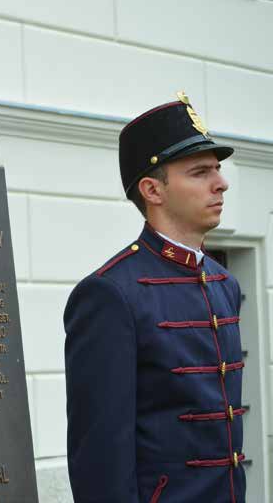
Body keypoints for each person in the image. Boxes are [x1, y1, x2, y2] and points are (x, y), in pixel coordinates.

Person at [64, 92, 245, 502]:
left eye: (217, 169)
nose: (221, 182)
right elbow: (100, 458)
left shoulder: (224, 285)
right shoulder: (110, 294)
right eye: (200, 172)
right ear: (153, 189)